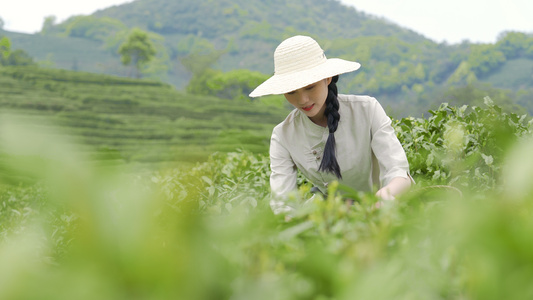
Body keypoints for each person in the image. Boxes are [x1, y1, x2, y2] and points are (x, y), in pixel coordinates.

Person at [249, 35, 412, 213]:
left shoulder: (367, 110)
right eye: (291, 92)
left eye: (310, 87)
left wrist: (382, 199)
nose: (302, 100)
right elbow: (282, 202)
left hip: (380, 207)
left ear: (328, 78)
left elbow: (399, 174)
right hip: (326, 216)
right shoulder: (283, 135)